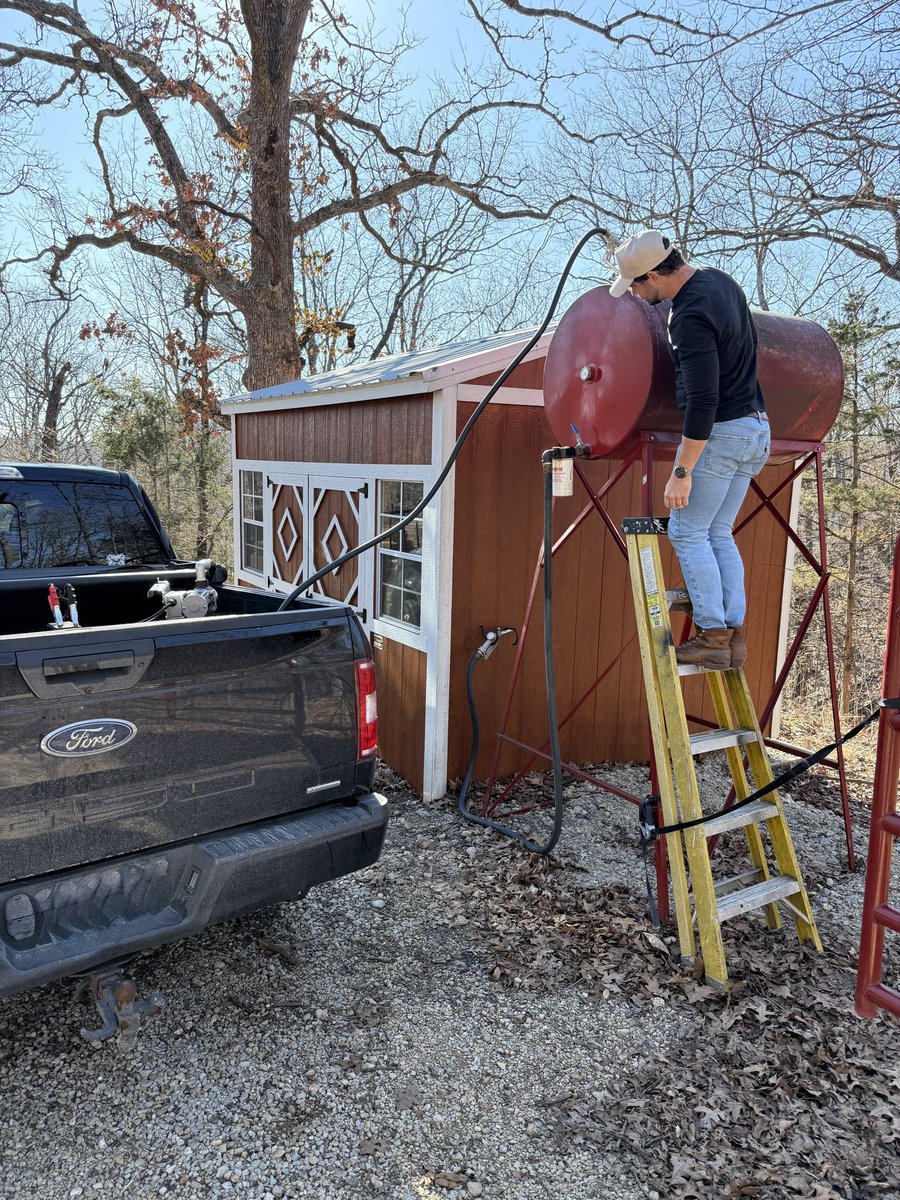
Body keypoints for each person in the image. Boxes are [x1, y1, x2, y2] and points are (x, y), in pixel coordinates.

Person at [608, 229, 771, 669]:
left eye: (637, 287)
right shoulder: (722, 282)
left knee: (686, 531)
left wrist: (682, 471)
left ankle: (713, 636)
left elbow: (703, 399)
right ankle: (733, 637)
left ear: (654, 275)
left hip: (721, 432)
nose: (638, 297)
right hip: (756, 428)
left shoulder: (688, 315)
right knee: (718, 532)